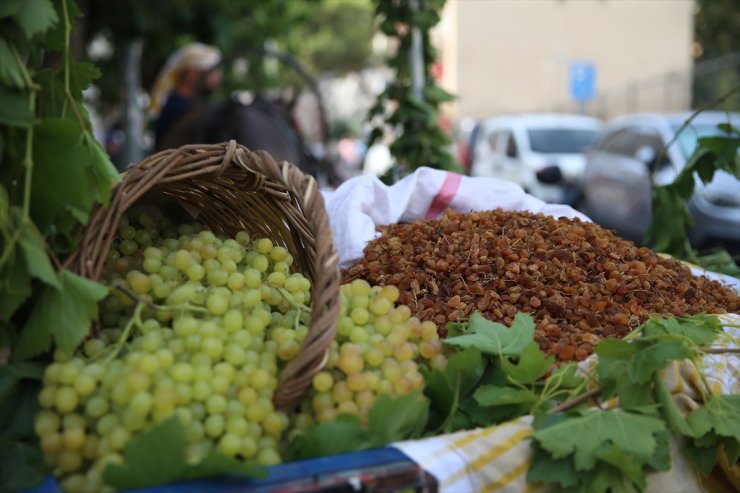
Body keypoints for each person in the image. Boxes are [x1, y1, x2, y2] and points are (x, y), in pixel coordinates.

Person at [150, 43, 223, 148]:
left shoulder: (188, 105)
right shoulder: (176, 108)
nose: (218, 76)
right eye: (211, 71)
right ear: (191, 73)